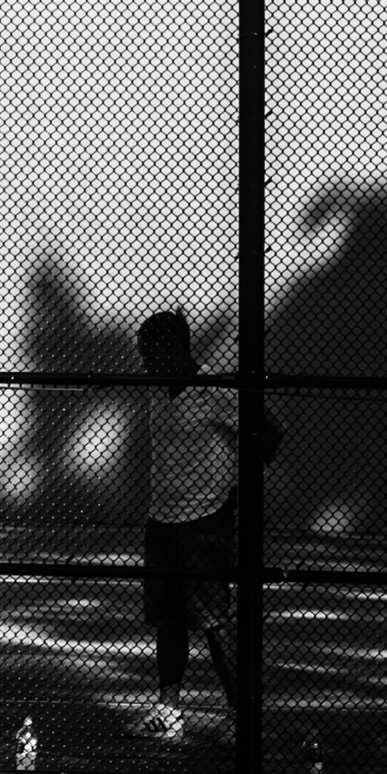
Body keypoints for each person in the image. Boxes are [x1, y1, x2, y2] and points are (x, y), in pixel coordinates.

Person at [135, 308, 281, 741]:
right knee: (168, 621)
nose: (144, 364)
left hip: (205, 522)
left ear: (175, 350)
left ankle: (241, 716)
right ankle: (168, 710)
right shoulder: (156, 390)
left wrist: (242, 486)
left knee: (214, 623)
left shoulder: (215, 392)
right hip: (161, 521)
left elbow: (270, 431)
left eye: (150, 354)